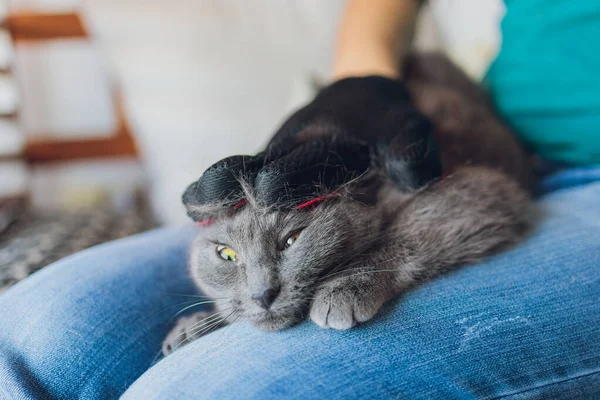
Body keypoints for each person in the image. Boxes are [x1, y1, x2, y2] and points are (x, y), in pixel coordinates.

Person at [1, 1, 599, 398]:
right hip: (496, 125)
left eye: (289, 244)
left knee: (198, 390)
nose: (260, 287)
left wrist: (383, 268)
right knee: (32, 332)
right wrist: (361, 81)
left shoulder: (382, 207)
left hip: (569, 175)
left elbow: (490, 199)